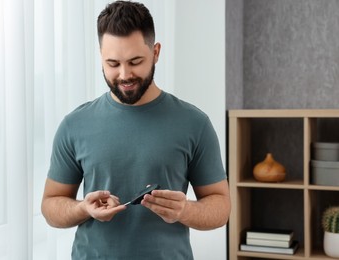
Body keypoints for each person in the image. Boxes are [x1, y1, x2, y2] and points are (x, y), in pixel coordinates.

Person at [41, 1, 231, 259]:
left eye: (135, 61)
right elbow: (51, 206)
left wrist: (184, 210)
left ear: (156, 52)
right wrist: (83, 208)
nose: (124, 74)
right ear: (101, 57)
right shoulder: (74, 125)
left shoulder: (195, 123)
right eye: (113, 63)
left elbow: (221, 207)